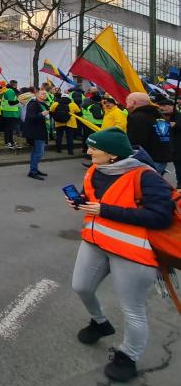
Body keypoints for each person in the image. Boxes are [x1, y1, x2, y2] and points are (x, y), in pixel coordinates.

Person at [68, 128, 174, 383]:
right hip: (95, 242)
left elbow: (161, 216)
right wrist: (80, 202)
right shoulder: (96, 169)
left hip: (132, 252)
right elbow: (94, 199)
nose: (89, 151)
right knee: (81, 287)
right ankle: (100, 322)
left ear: (113, 155)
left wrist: (104, 210)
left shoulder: (146, 176)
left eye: (94, 148)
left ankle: (129, 355)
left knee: (132, 309)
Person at [125, 92, 172, 176]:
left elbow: (135, 142)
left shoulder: (137, 117)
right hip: (162, 157)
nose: (126, 103)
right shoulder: (159, 115)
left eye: (127, 100)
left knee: (144, 187)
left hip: (147, 159)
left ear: (133, 102)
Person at [22, 88, 50, 180]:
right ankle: (33, 171)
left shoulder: (43, 104)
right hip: (36, 132)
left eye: (45, 94)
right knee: (39, 152)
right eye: (42, 94)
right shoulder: (33, 104)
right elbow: (30, 117)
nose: (45, 95)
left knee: (36, 152)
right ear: (37, 95)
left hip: (41, 130)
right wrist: (42, 114)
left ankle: (34, 169)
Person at [155, 98, 180, 187]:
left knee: (179, 170)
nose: (162, 108)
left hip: (178, 148)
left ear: (172, 107)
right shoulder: (162, 117)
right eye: (160, 106)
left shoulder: (178, 116)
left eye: (164, 106)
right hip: (167, 149)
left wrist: (176, 125)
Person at [1, 79, 22, 149]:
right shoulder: (10, 91)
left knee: (11, 128)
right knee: (8, 128)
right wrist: (19, 100)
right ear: (14, 85)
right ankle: (7, 142)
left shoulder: (11, 91)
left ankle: (11, 141)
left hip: (11, 112)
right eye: (16, 85)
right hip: (9, 112)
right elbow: (11, 102)